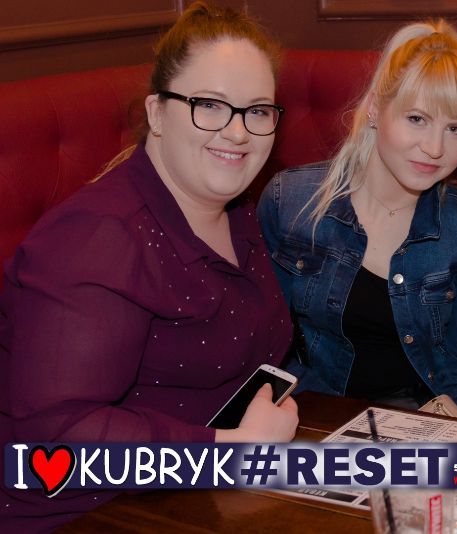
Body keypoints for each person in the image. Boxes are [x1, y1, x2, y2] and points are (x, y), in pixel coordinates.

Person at [1, 2, 297, 528]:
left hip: (194, 499)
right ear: (157, 114)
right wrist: (229, 451)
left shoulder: (237, 212)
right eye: (210, 105)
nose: (238, 132)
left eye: (257, 111)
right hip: (79, 514)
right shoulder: (97, 239)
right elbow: (56, 437)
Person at [258, 20, 457, 423]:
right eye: (417, 119)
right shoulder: (291, 202)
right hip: (315, 415)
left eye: (455, 129)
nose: (435, 147)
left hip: (424, 422)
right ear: (375, 108)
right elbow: (267, 349)